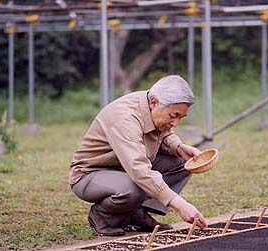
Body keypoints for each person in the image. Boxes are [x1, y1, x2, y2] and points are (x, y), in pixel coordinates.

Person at [69, 75, 208, 236]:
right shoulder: (125, 118)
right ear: (154, 103)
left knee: (181, 162)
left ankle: (136, 213)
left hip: (124, 169)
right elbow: (139, 170)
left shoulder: (153, 105)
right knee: (134, 187)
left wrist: (179, 148)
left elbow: (163, 134)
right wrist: (180, 204)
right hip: (89, 174)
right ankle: (102, 215)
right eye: (173, 115)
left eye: (180, 117)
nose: (175, 123)